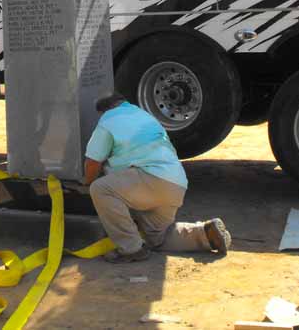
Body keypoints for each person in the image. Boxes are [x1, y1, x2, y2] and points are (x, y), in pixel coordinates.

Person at [84, 93, 232, 263]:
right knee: (157, 237)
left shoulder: (108, 121)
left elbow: (92, 162)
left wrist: (87, 182)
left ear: (104, 111)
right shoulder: (144, 116)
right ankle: (204, 234)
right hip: (176, 184)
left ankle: (131, 249)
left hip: (150, 179)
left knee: (100, 189)